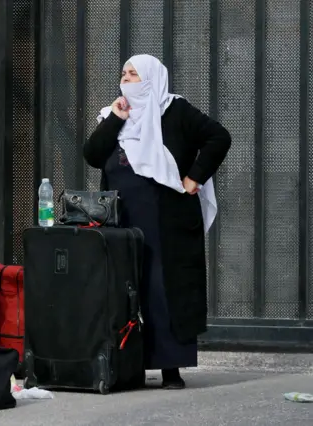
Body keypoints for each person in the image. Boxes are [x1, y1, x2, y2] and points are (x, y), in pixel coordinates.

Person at [83, 54, 231, 389]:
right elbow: (92, 155)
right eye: (123, 73)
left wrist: (194, 178)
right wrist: (116, 119)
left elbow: (218, 137)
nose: (126, 80)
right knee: (123, 289)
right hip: (122, 218)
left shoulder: (174, 110)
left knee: (162, 288)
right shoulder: (115, 114)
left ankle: (170, 368)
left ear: (151, 78)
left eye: (134, 74)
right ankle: (125, 365)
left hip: (167, 220)